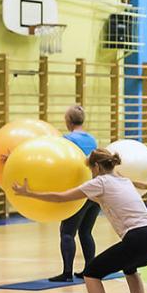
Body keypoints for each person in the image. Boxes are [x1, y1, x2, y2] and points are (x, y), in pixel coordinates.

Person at [12, 148, 147, 293]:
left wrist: (29, 193)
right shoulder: (123, 180)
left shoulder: (100, 182)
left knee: (91, 273)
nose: (91, 173)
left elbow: (61, 198)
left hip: (141, 237)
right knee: (130, 268)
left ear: (97, 167)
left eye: (91, 169)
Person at [50, 105, 101, 282]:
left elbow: (55, 160)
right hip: (95, 190)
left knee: (67, 232)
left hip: (79, 191)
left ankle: (67, 273)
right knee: (86, 231)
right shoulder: (92, 139)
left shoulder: (66, 140)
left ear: (68, 121)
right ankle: (90, 269)